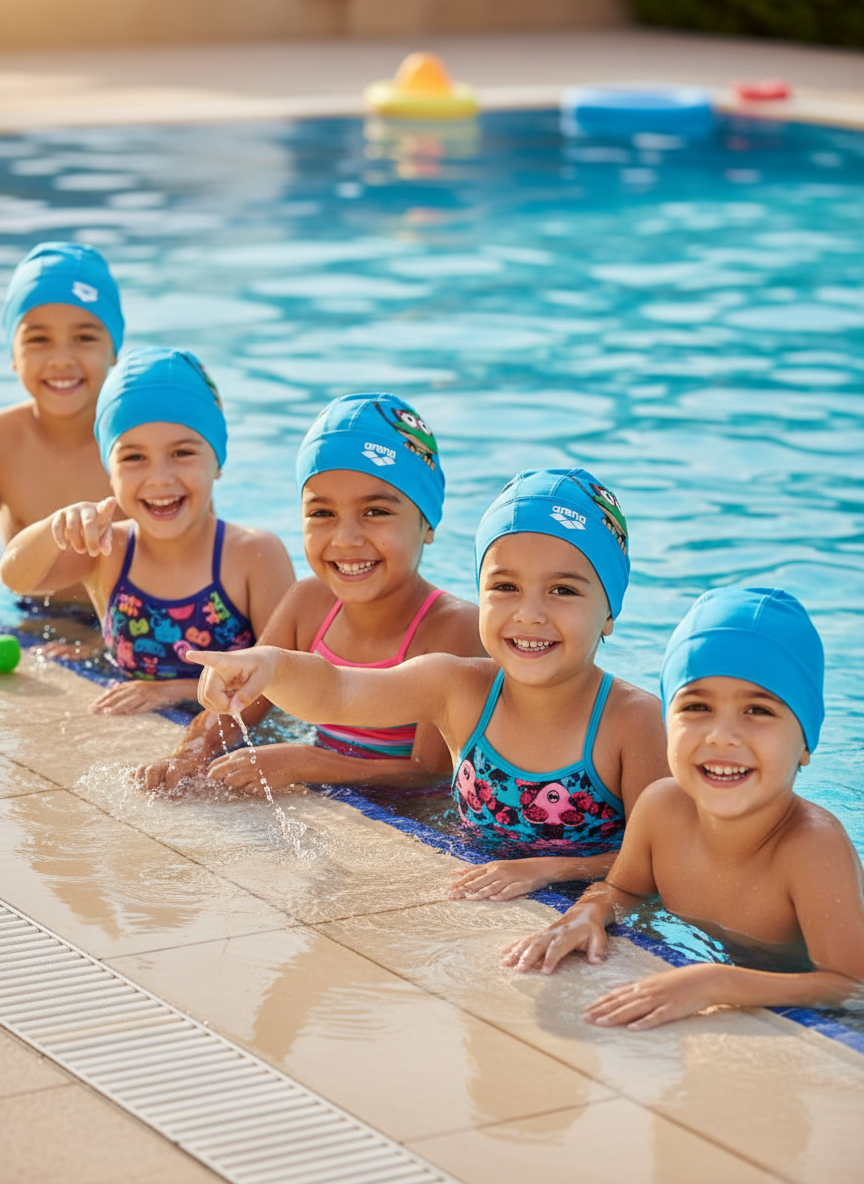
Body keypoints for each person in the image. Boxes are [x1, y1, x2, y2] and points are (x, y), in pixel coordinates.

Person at [184, 467, 669, 900]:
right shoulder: (456, 686)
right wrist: (270, 665)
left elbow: (662, 860)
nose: (529, 614)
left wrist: (553, 869)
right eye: (505, 587)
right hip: (477, 892)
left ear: (609, 612)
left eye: (563, 590)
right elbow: (338, 689)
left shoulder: (633, 720)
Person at [502, 587, 864, 1028]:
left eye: (758, 710)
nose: (722, 736)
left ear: (805, 742)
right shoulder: (661, 808)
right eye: (696, 706)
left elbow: (850, 985)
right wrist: (587, 913)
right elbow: (625, 891)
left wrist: (717, 983)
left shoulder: (812, 848)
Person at [137, 391, 484, 791]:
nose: (347, 539)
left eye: (376, 512)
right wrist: (189, 755)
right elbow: (238, 708)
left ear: (427, 523)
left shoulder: (452, 629)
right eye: (322, 513)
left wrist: (306, 762)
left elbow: (432, 777)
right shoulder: (309, 603)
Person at [0, 346, 295, 714]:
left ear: (216, 461)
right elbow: (18, 579)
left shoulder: (254, 554)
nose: (159, 479)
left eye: (182, 453)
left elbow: (286, 681)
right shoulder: (109, 549)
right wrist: (52, 529)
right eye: (134, 457)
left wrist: (176, 690)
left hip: (233, 735)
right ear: (110, 472)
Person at [0, 242, 122, 626]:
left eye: (84, 338)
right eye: (38, 339)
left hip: (129, 625)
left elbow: (203, 555)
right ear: (13, 355)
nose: (61, 359)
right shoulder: (5, 440)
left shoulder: (143, 444)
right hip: (32, 614)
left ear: (114, 349)